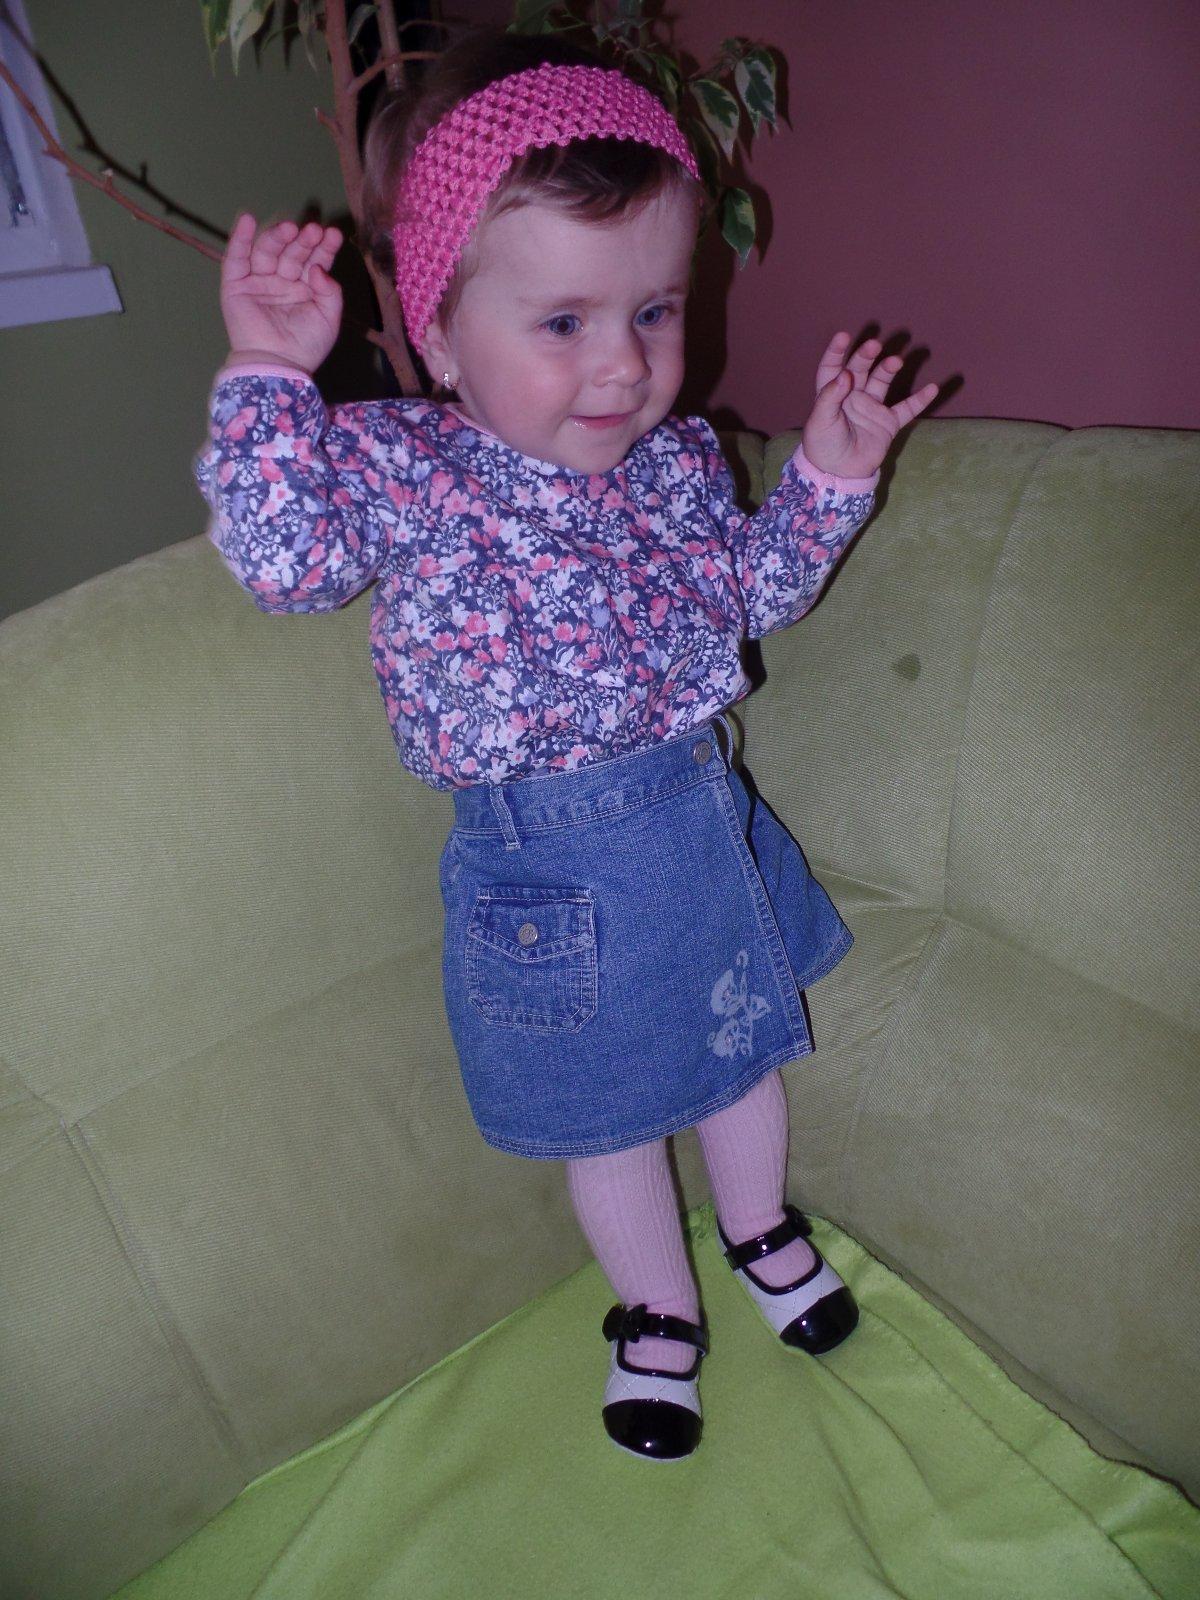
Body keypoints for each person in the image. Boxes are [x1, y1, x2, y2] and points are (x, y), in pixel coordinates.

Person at [194, 26, 940, 1464]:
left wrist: (832, 475)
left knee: (738, 1057)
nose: (624, 364)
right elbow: (285, 564)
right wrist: (267, 371)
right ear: (438, 332)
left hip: (701, 823)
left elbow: (748, 594)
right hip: (545, 876)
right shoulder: (406, 467)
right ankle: (656, 1310)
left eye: (655, 309)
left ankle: (759, 1227)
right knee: (609, 1117)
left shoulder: (681, 463)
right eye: (561, 323)